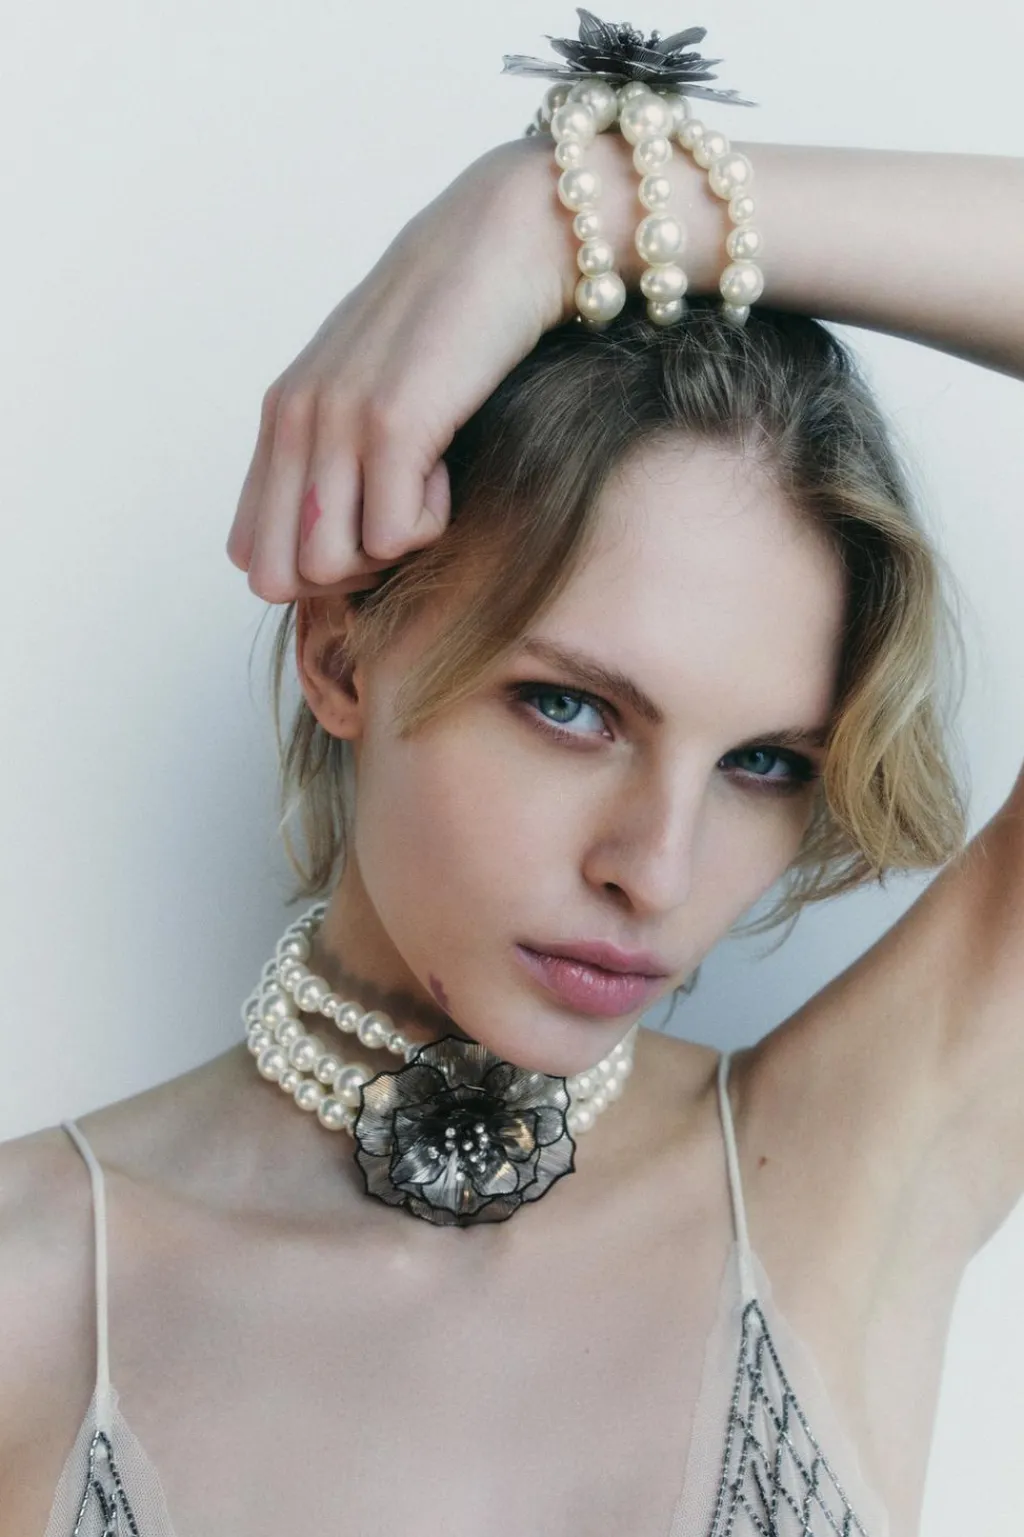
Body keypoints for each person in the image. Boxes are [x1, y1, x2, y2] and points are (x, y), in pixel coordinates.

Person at [2, 15, 1022, 1537]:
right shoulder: (32, 1287)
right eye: (572, 709)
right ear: (342, 655)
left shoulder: (842, 1169)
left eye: (761, 761)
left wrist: (571, 207)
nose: (655, 870)